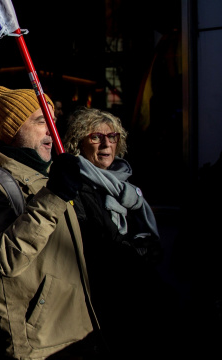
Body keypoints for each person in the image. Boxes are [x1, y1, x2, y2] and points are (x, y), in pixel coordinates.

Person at [0, 86, 99, 359]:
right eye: (41, 121)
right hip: (33, 343)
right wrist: (54, 196)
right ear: (12, 130)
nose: (51, 129)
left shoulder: (50, 174)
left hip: (73, 331)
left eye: (53, 120)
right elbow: (4, 258)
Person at [63, 106, 164, 358]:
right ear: (79, 143)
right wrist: (139, 252)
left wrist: (148, 248)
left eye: (112, 136)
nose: (106, 144)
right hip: (104, 299)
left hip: (134, 291)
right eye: (96, 137)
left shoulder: (125, 184)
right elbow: (98, 242)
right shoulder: (74, 184)